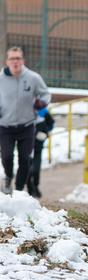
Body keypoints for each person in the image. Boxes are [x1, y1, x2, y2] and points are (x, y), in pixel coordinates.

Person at [0, 47, 51, 195]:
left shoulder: (33, 78)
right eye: (12, 59)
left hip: (27, 124)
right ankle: (9, 176)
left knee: (25, 159)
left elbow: (46, 94)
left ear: (23, 61)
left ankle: (19, 191)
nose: (15, 62)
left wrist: (41, 103)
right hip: (5, 126)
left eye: (18, 59)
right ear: (7, 61)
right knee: (7, 156)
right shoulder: (1, 79)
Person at [27, 107, 55, 198]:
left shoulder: (43, 110)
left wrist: (45, 134)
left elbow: (51, 123)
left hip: (38, 142)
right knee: (26, 165)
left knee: (35, 167)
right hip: (26, 142)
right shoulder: (25, 108)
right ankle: (29, 187)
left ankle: (35, 186)